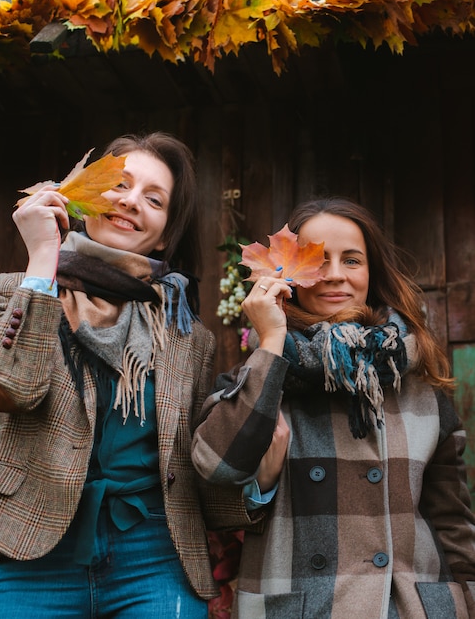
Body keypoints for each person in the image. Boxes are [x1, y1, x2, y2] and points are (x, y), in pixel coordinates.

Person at [0, 132, 253, 618]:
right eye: (119, 184)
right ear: (85, 198)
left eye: (154, 199)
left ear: (164, 234)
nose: (131, 201)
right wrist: (41, 263)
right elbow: (8, 388)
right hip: (37, 548)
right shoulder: (18, 291)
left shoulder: (187, 335)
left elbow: (195, 458)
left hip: (155, 555)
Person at [192, 197, 475, 618]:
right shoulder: (259, 379)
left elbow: (452, 522)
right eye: (318, 261)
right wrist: (272, 341)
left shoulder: (418, 384)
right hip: (305, 607)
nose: (336, 275)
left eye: (353, 260)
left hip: (408, 608)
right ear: (288, 275)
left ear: (371, 273)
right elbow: (215, 465)